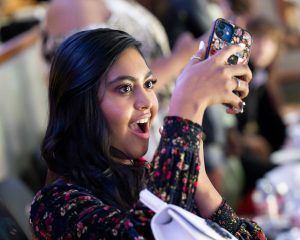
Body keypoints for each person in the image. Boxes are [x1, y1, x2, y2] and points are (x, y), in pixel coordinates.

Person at [29, 28, 266, 239]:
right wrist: (187, 106)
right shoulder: (53, 205)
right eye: (125, 88)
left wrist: (200, 180)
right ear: (80, 107)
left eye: (149, 84)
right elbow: (146, 232)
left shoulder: (147, 176)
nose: (147, 102)